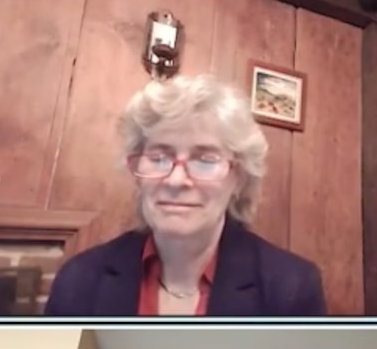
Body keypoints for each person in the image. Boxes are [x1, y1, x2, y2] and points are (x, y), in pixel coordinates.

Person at [44, 75, 328, 317]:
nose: (176, 180)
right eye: (158, 156)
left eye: (205, 159)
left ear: (238, 178)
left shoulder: (291, 287)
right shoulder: (79, 279)